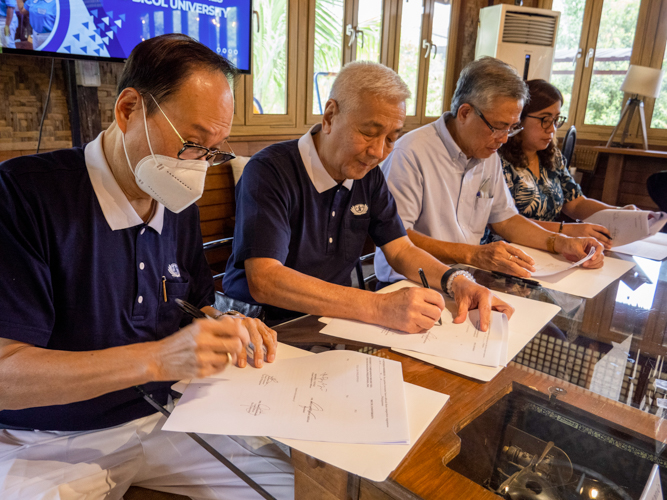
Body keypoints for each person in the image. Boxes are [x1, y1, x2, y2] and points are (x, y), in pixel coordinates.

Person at [0, 34, 293, 499]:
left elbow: (193, 302)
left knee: (297, 486)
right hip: (46, 440)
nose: (199, 167)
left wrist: (224, 323)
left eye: (214, 152)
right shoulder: (24, 197)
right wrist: (156, 359)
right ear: (129, 109)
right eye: (193, 143)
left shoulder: (174, 194)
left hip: (167, 413)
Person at [223, 61, 515, 334]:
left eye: (391, 138)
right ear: (329, 116)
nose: (378, 152)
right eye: (368, 132)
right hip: (262, 324)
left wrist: (457, 281)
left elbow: (400, 250)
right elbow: (265, 280)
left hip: (332, 321)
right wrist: (378, 306)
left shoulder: (367, 174)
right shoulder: (270, 170)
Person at [374, 57, 605, 284]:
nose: (504, 139)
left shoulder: (488, 153)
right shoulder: (411, 153)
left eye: (512, 128)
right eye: (498, 127)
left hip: (467, 276)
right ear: (464, 113)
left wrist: (560, 241)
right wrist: (473, 255)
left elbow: (505, 219)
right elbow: (398, 237)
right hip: (412, 281)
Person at [498, 79, 636, 250]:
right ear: (519, 118)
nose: (552, 129)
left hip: (550, 247)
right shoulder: (499, 160)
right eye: (545, 119)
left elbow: (576, 203)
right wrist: (566, 230)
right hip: (509, 248)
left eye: (556, 120)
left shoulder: (551, 156)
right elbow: (504, 222)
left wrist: (617, 213)